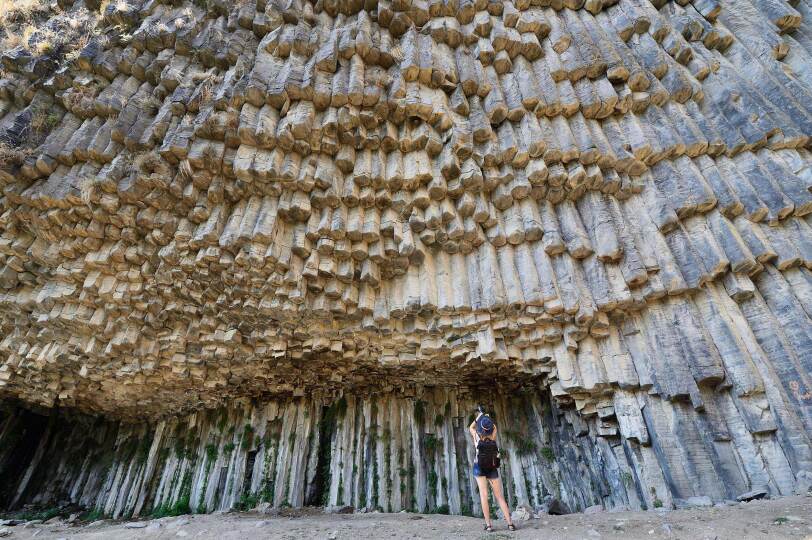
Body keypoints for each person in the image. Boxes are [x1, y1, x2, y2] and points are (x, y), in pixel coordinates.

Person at [469, 406, 516, 532]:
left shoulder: (477, 437)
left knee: (484, 495)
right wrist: (487, 419)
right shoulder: (493, 435)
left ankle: (489, 525)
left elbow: (471, 427)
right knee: (500, 496)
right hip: (492, 466)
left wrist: (480, 416)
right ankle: (510, 524)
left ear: (481, 429)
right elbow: (494, 427)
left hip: (479, 467)